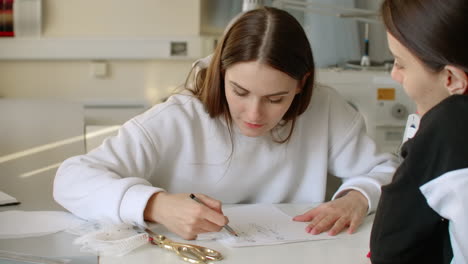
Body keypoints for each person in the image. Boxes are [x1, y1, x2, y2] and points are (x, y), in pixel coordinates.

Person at [54, 7, 396, 240]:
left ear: (302, 84)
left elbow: (387, 170)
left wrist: (357, 197)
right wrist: (154, 204)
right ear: (221, 74)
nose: (254, 114)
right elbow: (71, 179)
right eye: (240, 92)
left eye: (275, 99)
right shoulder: (177, 118)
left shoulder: (325, 107)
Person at [370, 0, 468, 263]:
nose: (394, 74)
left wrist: (424, 128)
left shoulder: (449, 128)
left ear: (452, 79)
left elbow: (390, 249)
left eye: (400, 63)